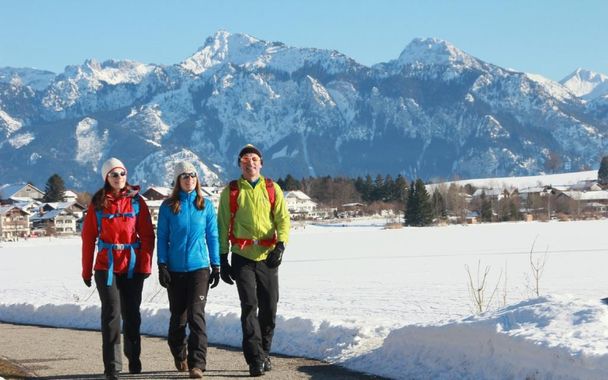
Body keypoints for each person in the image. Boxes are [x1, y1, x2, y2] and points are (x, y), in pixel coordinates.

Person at [218, 144, 290, 377]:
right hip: (242, 257)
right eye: (245, 159)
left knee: (269, 307)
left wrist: (281, 245)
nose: (250, 163)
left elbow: (283, 218)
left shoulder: (272, 188)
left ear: (261, 163)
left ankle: (264, 351)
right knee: (249, 307)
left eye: (254, 159)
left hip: (268, 257)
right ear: (240, 164)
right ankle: (255, 359)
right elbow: (222, 225)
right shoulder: (231, 191)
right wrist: (222, 257)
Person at [81, 157, 155, 380]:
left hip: (132, 266)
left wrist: (145, 264)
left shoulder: (137, 202)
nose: (119, 178)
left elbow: (148, 236)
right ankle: (112, 366)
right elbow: (88, 238)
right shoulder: (97, 204)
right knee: (111, 313)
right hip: (106, 266)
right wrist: (86, 270)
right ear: (106, 177)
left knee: (132, 314)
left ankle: (133, 356)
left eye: (122, 174)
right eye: (114, 174)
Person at [156, 161, 220, 379]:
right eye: (184, 176)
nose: (189, 179)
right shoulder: (168, 207)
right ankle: (179, 352)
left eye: (193, 175)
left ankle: (197, 364)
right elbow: (162, 237)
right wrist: (162, 265)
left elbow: (212, 236)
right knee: (178, 319)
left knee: (196, 315)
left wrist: (216, 264)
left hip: (199, 268)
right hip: (174, 269)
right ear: (177, 180)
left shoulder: (206, 205)